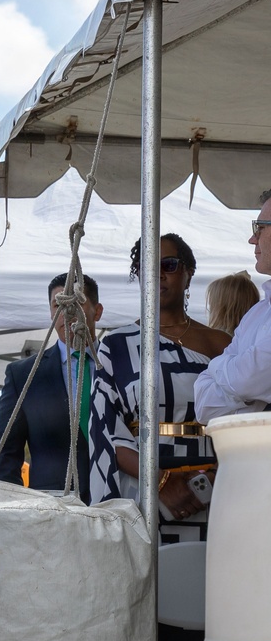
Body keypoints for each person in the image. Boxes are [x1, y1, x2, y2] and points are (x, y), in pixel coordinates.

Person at [89, 235, 229, 522]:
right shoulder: (116, 345)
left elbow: (245, 421)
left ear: (188, 274)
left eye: (169, 265)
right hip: (142, 498)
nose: (158, 275)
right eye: (146, 267)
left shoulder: (223, 344)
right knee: (149, 568)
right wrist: (161, 482)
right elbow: (105, 429)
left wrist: (216, 477)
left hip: (216, 492)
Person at [0, 273, 103, 502]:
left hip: (120, 504)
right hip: (52, 513)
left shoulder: (121, 365)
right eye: (59, 304)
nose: (68, 312)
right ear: (52, 313)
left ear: (97, 311)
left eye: (77, 303)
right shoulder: (23, 375)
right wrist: (16, 511)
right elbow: (5, 457)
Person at [196, 192, 271, 421]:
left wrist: (219, 367)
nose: (252, 239)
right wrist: (246, 388)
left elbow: (250, 377)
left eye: (261, 227)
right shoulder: (257, 313)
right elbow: (203, 407)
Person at [205, 270, 261, 341]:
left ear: (222, 308)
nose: (210, 306)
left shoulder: (219, 337)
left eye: (212, 303)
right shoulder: (254, 333)